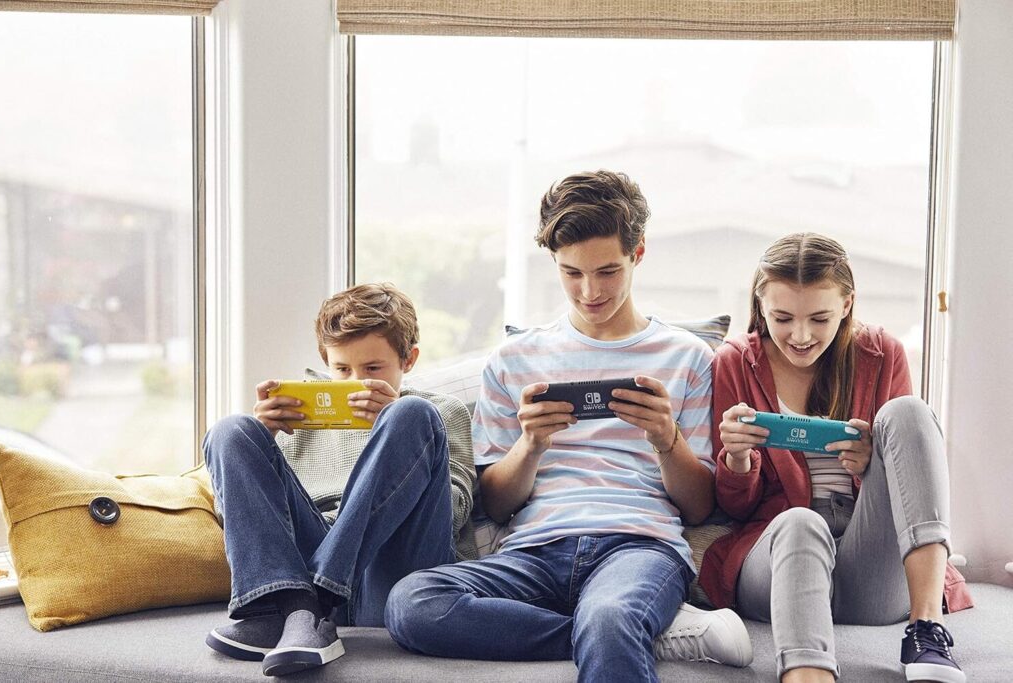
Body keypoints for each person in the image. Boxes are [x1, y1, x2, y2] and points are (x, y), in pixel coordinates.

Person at [384, 170, 753, 682]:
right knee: (412, 602)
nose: (589, 291)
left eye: (607, 271)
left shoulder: (689, 357)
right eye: (570, 273)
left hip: (637, 544)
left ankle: (616, 625)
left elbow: (698, 506)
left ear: (638, 253)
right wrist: (531, 445)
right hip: (535, 550)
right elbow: (495, 503)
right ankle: (634, 631)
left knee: (610, 615)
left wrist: (666, 441)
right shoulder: (514, 359)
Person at [700, 233, 972, 683]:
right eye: (782, 317)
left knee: (909, 412)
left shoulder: (882, 353)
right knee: (800, 521)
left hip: (871, 565)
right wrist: (738, 459)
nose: (800, 336)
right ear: (760, 305)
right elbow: (735, 509)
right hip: (781, 558)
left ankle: (926, 630)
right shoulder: (735, 361)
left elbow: (905, 475)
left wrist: (871, 463)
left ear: (847, 304)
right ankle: (808, 674)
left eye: (819, 318)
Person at [202, 283, 476, 676]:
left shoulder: (438, 413)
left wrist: (393, 423)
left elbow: (455, 514)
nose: (355, 382)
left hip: (396, 572)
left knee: (412, 414)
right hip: (307, 569)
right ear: (325, 360)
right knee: (232, 429)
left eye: (373, 369)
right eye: (342, 369)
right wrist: (264, 439)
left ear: (409, 359)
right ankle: (299, 607)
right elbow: (247, 527)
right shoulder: (303, 414)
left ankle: (313, 602)